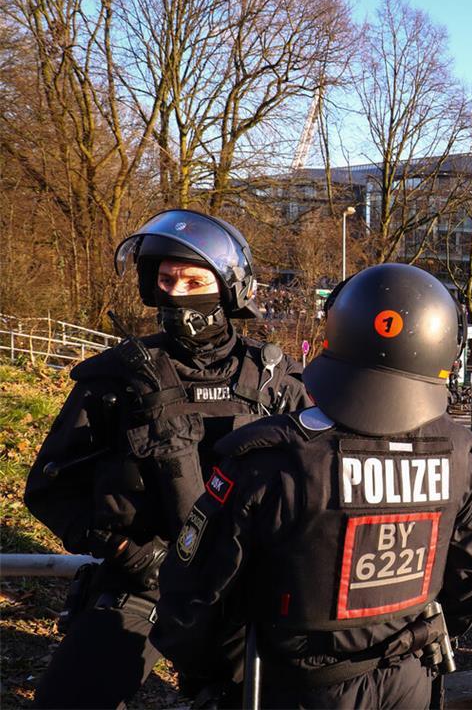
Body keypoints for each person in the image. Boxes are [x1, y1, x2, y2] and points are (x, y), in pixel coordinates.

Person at [153, 264, 472, 707]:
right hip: (411, 682)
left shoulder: (269, 461)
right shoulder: (462, 461)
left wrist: (216, 675)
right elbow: (470, 588)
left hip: (294, 688)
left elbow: (191, 597)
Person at [23, 209, 309, 708]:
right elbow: (50, 489)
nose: (177, 292)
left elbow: (320, 485)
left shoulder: (276, 385)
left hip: (242, 592)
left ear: (228, 287)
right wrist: (127, 553)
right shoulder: (116, 380)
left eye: (193, 279)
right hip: (142, 585)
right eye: (166, 279)